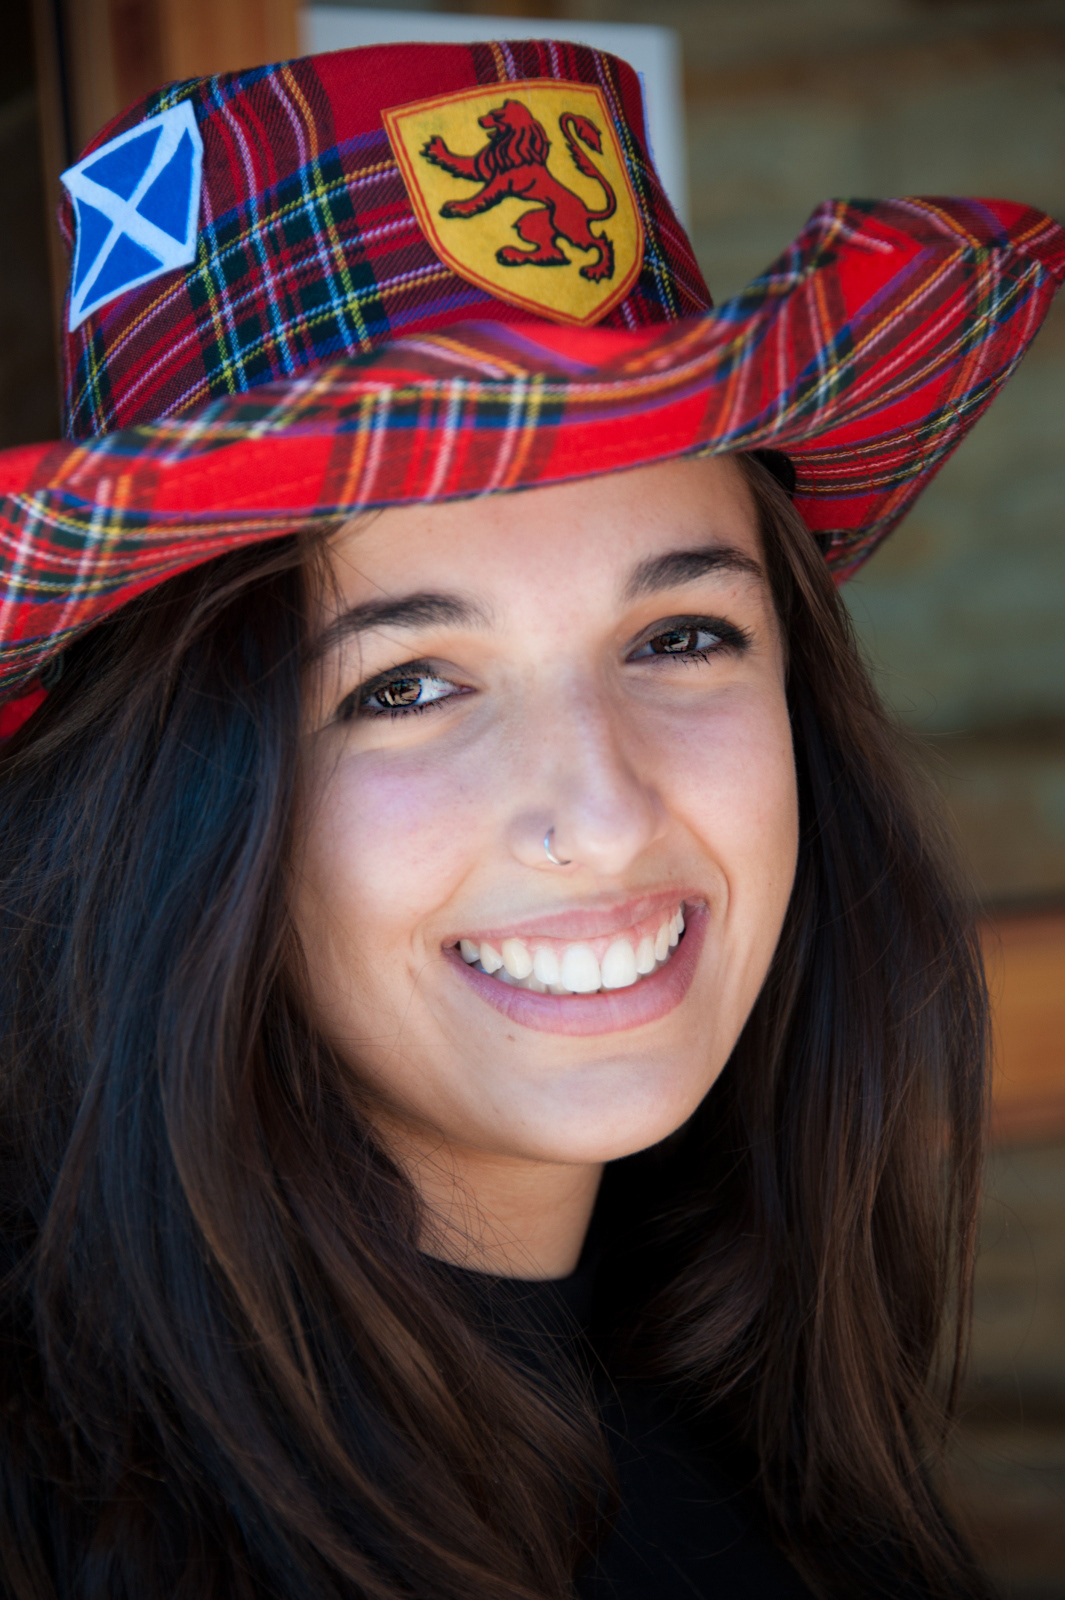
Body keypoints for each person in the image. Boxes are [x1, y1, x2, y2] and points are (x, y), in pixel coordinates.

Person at [0, 37, 1061, 1600]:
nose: (602, 813)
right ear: (174, 798)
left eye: (680, 637)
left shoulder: (754, 1424)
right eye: (407, 684)